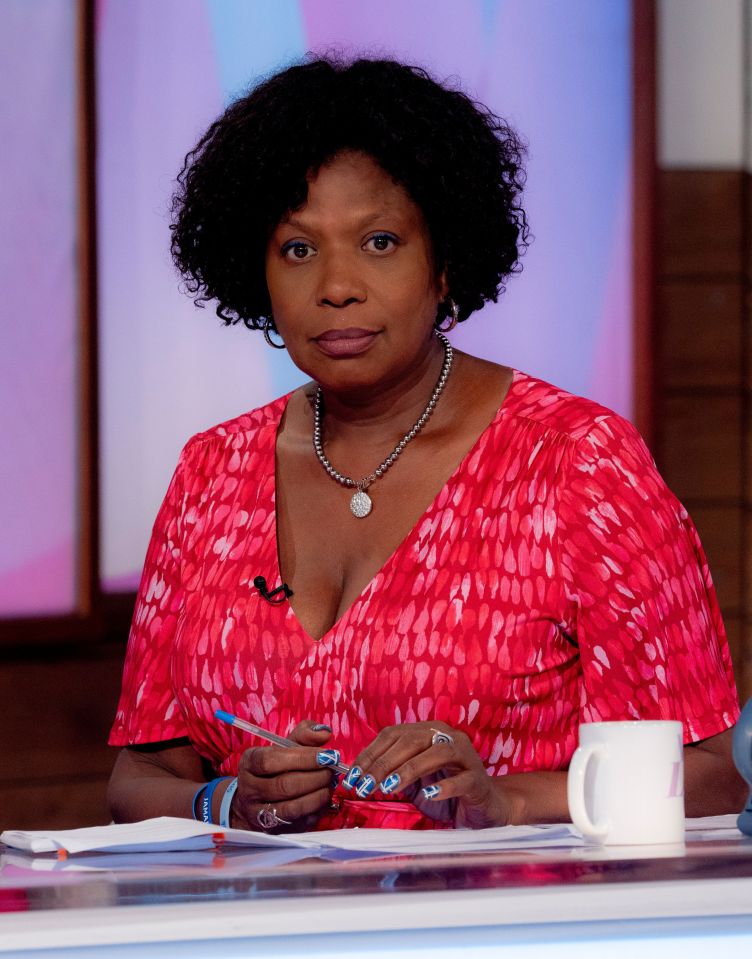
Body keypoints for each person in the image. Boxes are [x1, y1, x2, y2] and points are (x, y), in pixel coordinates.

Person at [108, 56, 744, 833]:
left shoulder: (578, 461)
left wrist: (504, 799)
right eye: (298, 250)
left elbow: (708, 779)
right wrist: (227, 801)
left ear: (445, 262)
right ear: (257, 270)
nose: (336, 285)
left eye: (379, 242)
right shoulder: (211, 472)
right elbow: (140, 777)